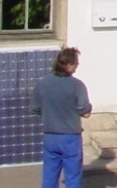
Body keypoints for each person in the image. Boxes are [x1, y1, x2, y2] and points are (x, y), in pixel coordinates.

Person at [31, 46, 91, 188]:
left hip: (50, 136)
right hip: (70, 137)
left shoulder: (42, 83)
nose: (76, 68)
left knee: (49, 176)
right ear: (69, 65)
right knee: (73, 178)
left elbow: (35, 109)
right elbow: (85, 112)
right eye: (76, 64)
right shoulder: (77, 85)